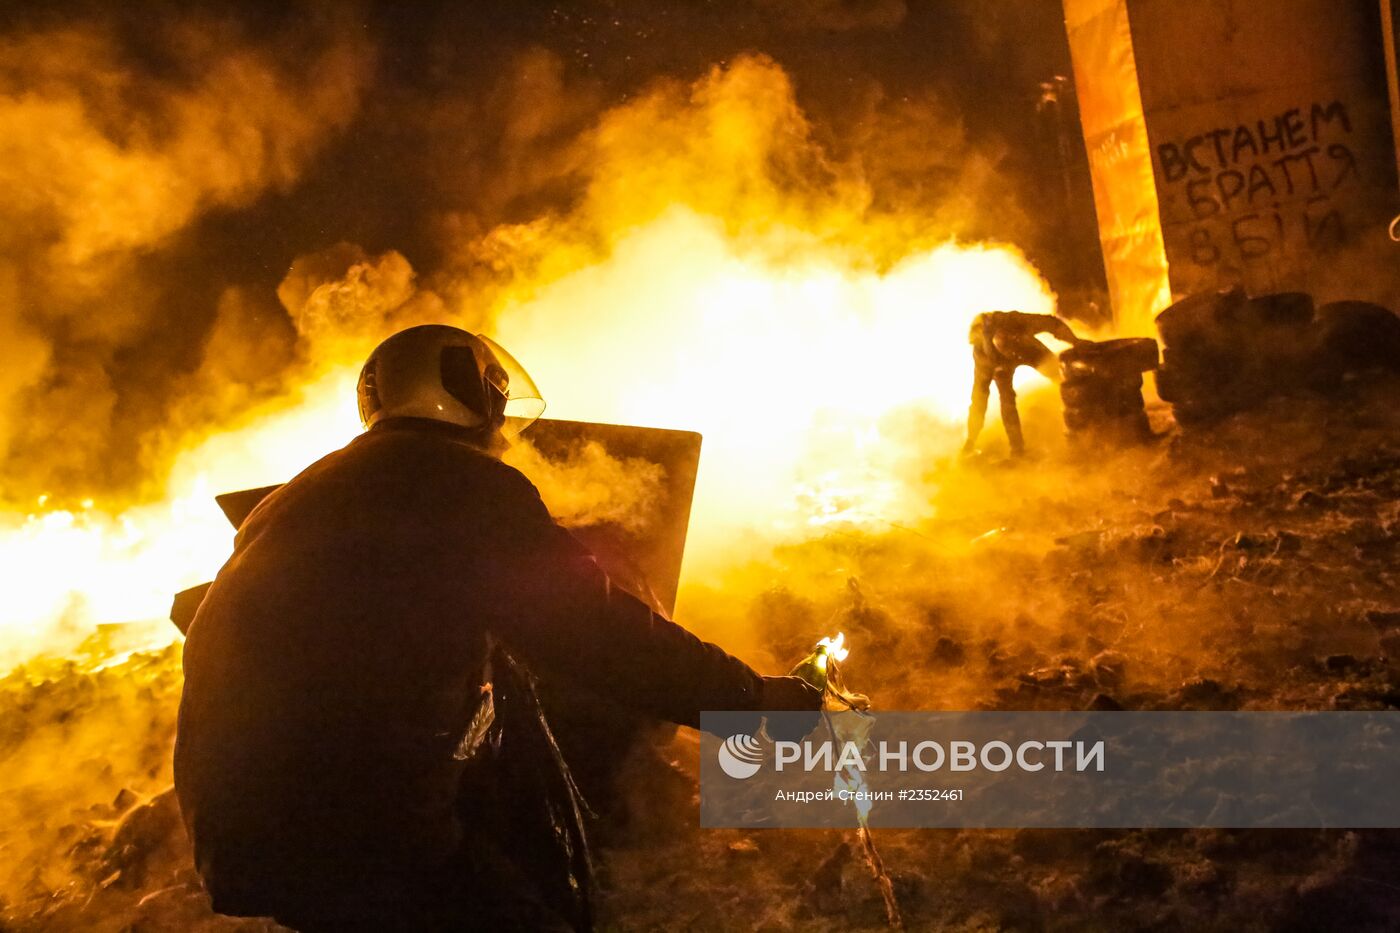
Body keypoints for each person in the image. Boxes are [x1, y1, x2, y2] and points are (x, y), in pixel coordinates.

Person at [174, 324, 821, 932]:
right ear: (474, 392)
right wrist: (751, 700)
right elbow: (598, 633)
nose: (505, 429)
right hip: (357, 826)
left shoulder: (302, 494)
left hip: (236, 828)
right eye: (499, 402)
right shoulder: (462, 486)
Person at [962, 310, 1084, 457]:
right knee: (1006, 400)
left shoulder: (1014, 321)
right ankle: (1017, 450)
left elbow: (1051, 323)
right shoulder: (984, 359)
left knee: (1061, 376)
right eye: (1003, 352)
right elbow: (979, 400)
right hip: (1000, 364)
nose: (1008, 355)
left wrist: (1075, 341)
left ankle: (1084, 414)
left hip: (1027, 349)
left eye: (1007, 348)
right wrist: (971, 439)